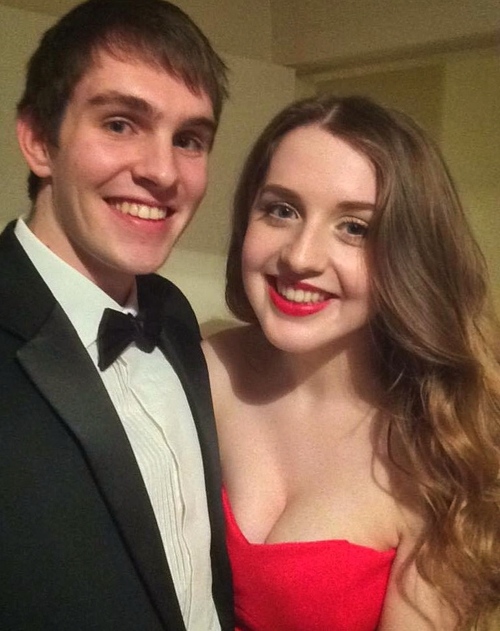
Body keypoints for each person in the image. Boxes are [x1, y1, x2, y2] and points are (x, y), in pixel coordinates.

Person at [202, 95, 500, 631]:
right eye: (282, 210)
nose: (301, 257)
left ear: (409, 256)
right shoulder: (201, 370)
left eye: (355, 228)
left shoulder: (438, 453)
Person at [0, 1, 233, 629]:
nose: (162, 172)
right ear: (40, 140)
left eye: (189, 139)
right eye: (121, 124)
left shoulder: (173, 316)